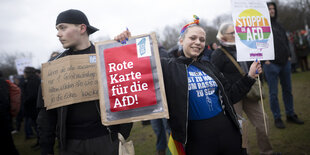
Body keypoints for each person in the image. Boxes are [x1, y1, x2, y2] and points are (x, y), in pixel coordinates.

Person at [115, 15, 262, 155]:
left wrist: (249, 77)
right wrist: (125, 43)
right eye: (192, 38)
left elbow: (230, 95)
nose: (198, 42)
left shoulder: (209, 66)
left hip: (228, 133)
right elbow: (136, 66)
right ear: (181, 40)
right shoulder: (168, 67)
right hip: (196, 139)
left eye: (202, 39)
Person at [36, 9, 132, 155]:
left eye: (63, 27)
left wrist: (122, 133)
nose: (58, 34)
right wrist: (46, 149)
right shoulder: (53, 66)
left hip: (106, 139)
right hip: (71, 145)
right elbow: (46, 115)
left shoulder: (106, 56)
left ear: (82, 28)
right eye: (57, 29)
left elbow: (127, 90)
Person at [211, 23, 275, 155]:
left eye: (237, 32)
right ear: (223, 36)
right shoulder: (218, 53)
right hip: (234, 96)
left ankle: (267, 151)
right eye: (232, 33)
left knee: (263, 122)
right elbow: (216, 76)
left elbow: (252, 66)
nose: (236, 35)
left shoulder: (246, 47)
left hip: (249, 91)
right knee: (241, 130)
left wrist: (257, 69)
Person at [264, 2, 304, 129]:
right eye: (269, 9)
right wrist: (265, 59)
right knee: (273, 93)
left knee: (288, 91)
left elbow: (285, 41)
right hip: (271, 65)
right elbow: (258, 43)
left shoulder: (279, 25)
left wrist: (288, 56)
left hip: (285, 63)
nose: (272, 11)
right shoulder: (263, 26)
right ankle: (277, 118)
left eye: (273, 9)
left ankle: (290, 114)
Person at [0, 71, 19, 155]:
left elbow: (4, 101)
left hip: (3, 119)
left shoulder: (2, 83)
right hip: (5, 118)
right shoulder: (3, 83)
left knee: (8, 145)